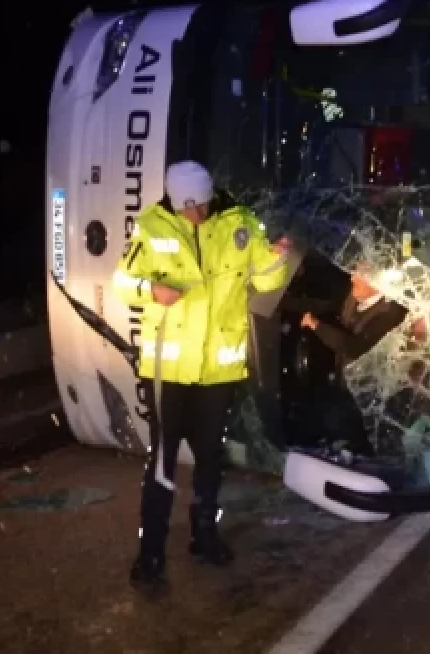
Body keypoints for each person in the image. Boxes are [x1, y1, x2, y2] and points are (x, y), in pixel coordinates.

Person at [111, 160, 292, 591]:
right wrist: (151, 291)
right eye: (188, 207)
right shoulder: (152, 226)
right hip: (167, 372)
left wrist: (277, 260)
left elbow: (266, 284)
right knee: (161, 462)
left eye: (201, 204)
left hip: (217, 371)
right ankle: (150, 551)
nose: (196, 214)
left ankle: (204, 535)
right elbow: (122, 281)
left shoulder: (240, 222)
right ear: (176, 202)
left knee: (211, 460)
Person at [288, 263, 408, 457]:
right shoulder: (354, 296)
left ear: (377, 281)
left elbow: (356, 347)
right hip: (343, 382)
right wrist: (286, 304)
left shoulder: (390, 312)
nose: (353, 278)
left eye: (360, 274)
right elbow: (324, 306)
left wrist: (316, 325)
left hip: (369, 392)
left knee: (357, 435)